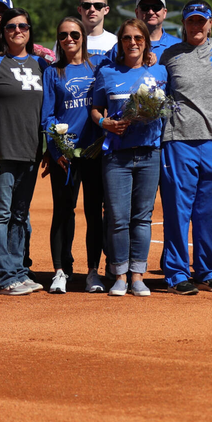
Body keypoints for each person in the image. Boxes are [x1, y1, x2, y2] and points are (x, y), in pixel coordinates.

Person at [158, 0, 212, 295]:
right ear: (184, 24)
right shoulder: (169, 55)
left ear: (210, 22)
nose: (196, 26)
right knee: (178, 209)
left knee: (211, 210)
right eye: (191, 21)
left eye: (201, 21)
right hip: (179, 141)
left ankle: (206, 269)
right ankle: (177, 272)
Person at [88, 18, 167, 297]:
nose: (132, 43)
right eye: (127, 38)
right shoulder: (107, 72)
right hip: (116, 156)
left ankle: (137, 276)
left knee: (142, 219)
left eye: (138, 38)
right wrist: (105, 124)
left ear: (146, 41)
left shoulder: (159, 70)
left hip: (149, 152)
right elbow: (96, 109)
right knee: (118, 218)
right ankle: (119, 275)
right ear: (119, 43)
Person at [0, 7, 45, 296]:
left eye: (23, 26)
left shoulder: (41, 65)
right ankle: (2, 276)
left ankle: (17, 271)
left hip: (29, 152)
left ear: (29, 30)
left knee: (19, 215)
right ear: (3, 32)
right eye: (11, 27)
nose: (17, 31)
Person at [41, 17, 105, 294]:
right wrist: (56, 150)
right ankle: (60, 270)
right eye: (64, 34)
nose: (70, 39)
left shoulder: (98, 65)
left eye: (75, 34)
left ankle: (93, 271)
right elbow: (48, 115)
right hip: (65, 155)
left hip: (94, 152)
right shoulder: (53, 72)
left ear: (83, 36)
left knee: (94, 212)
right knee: (63, 211)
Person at [104, 0, 182, 67]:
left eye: (156, 7)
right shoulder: (121, 48)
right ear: (137, 13)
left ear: (164, 13)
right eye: (145, 7)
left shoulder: (179, 46)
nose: (150, 12)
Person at [76, 0, 118, 64]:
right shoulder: (67, 40)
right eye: (86, 5)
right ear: (79, 9)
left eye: (98, 6)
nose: (92, 9)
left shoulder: (115, 42)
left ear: (106, 10)